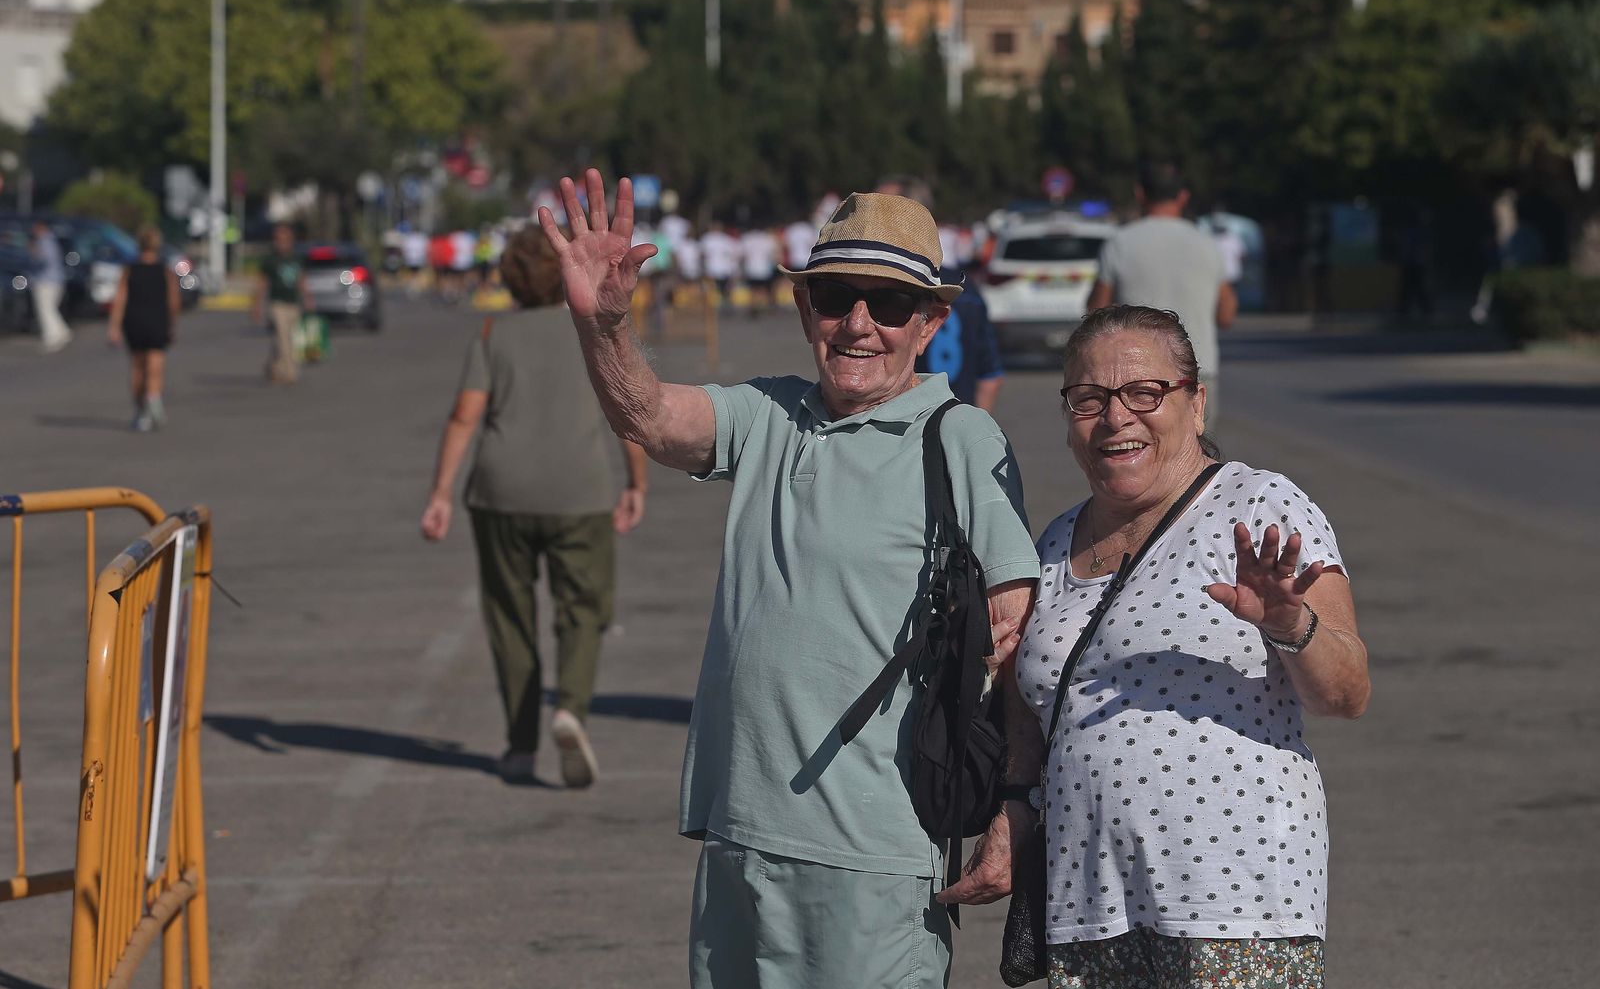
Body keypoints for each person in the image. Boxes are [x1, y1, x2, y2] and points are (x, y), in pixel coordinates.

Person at [537, 171, 1040, 989]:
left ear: (932, 322)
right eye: (838, 296)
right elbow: (650, 416)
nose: (859, 323)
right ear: (806, 309)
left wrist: (1016, 807)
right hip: (740, 836)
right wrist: (604, 325)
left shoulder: (961, 440)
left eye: (889, 304)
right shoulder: (770, 414)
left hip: (874, 856)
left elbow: (1020, 641)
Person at [1009, 305, 1370, 989]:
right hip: (1087, 906)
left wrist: (1291, 625)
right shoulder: (1055, 542)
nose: (1117, 418)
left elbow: (1346, 692)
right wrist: (1011, 810)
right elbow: (1032, 709)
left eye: (1146, 393)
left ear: (1195, 402)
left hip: (1232, 905)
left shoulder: (1259, 505)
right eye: (1089, 398)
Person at [421, 225, 650, 788]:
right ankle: (570, 707)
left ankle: (520, 746)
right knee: (583, 608)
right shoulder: (591, 331)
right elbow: (627, 409)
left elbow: (464, 417)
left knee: (510, 619)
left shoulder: (494, 332)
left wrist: (441, 494)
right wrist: (636, 483)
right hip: (580, 492)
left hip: (500, 492)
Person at [1088, 163, 1237, 423]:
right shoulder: (1207, 244)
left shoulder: (1120, 243)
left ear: (1140, 193)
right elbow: (1226, 314)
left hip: (1137, 372)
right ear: (1183, 196)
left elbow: (1096, 312)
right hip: (1198, 369)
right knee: (1198, 457)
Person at [107, 226, 181, 431]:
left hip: (135, 320)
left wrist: (113, 326)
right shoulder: (165, 271)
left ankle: (141, 411)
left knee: (138, 367)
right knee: (155, 365)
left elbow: (120, 299)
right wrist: (172, 324)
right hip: (157, 320)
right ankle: (154, 398)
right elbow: (173, 301)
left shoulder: (130, 270)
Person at [916, 271, 1005, 411]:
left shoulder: (909, 282)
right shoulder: (969, 292)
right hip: (961, 413)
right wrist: (977, 427)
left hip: (910, 416)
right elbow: (991, 376)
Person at [250, 224, 312, 384]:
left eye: (285, 239)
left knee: (286, 338)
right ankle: (290, 372)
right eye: (278, 239)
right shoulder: (271, 260)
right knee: (284, 338)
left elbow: (301, 280)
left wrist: (308, 300)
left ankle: (273, 365)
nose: (281, 242)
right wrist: (257, 305)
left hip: (293, 303)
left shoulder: (296, 259)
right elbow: (262, 283)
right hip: (277, 304)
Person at [27, 220, 71, 353]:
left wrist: (33, 252)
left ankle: (52, 337)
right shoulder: (52, 240)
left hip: (46, 280)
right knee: (51, 308)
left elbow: (43, 260)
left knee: (45, 309)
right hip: (56, 279)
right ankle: (62, 331)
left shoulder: (44, 242)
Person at [738, 224, 778, 316]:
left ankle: (753, 308)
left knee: (752, 290)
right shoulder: (767, 238)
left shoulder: (747, 238)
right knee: (769, 289)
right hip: (764, 267)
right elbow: (773, 253)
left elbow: (742, 255)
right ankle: (772, 308)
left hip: (751, 267)